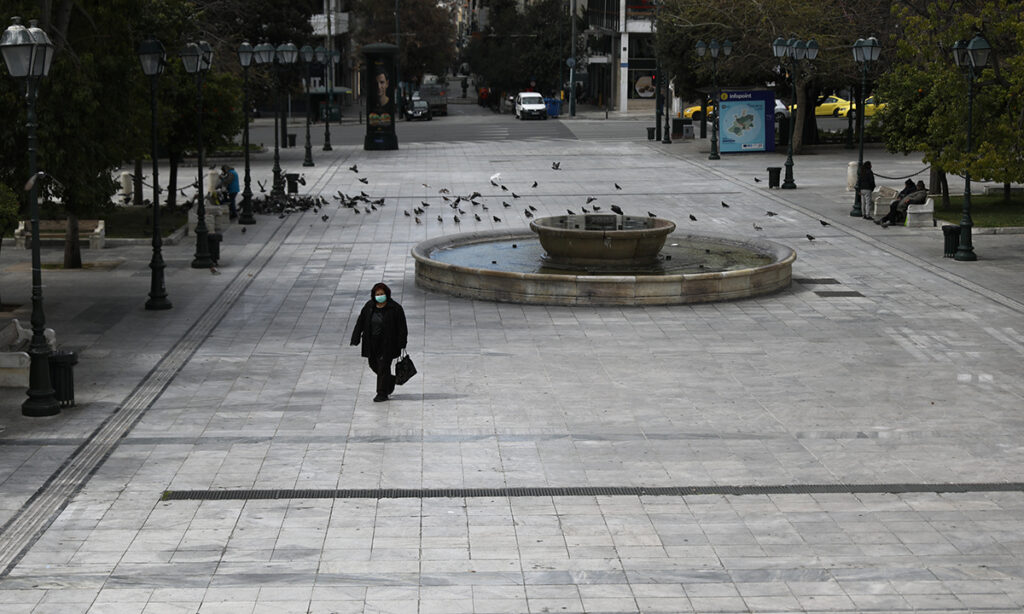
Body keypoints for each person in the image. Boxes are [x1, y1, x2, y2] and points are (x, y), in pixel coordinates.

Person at [350, 283, 408, 402]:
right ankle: (389, 380)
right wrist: (355, 338)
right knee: (373, 364)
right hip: (371, 343)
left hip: (388, 343)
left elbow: (402, 327)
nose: (380, 296)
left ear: (387, 294)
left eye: (382, 294)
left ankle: (382, 393)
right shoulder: (369, 306)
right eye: (378, 294)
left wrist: (402, 343)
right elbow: (361, 322)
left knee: (383, 367)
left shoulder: (395, 308)